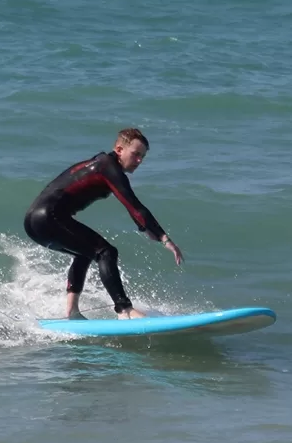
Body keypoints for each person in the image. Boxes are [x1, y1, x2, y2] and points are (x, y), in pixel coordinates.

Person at [24, 127, 183, 320]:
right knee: (106, 252)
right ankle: (124, 310)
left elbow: (129, 205)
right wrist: (164, 238)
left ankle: (72, 312)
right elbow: (134, 206)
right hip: (48, 218)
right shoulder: (109, 168)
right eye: (135, 154)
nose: (139, 161)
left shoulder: (102, 163)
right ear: (119, 150)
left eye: (142, 157)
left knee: (85, 253)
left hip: (35, 220)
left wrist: (145, 228)